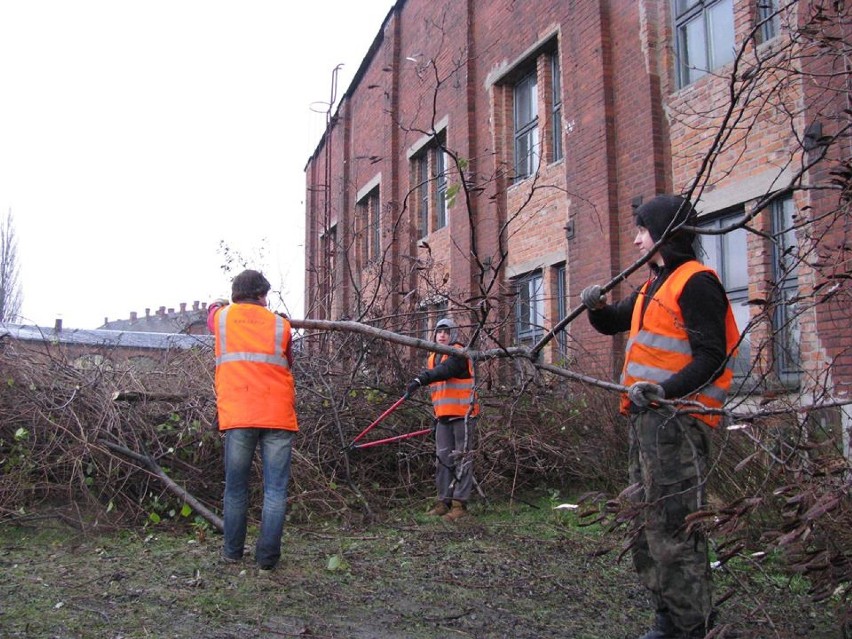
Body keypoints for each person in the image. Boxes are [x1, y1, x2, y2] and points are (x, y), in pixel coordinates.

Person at [580, 195, 740, 639]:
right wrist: (595, 307)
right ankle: (668, 618)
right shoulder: (655, 286)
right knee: (645, 522)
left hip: (680, 424)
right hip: (648, 421)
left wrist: (664, 392)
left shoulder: (695, 283)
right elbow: (614, 321)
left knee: (674, 527)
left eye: (642, 230)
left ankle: (694, 627)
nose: (635, 239)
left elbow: (712, 356)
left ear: (665, 234)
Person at [208, 269, 298, 573]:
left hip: (239, 415)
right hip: (277, 415)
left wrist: (217, 304)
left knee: (235, 488)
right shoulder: (280, 325)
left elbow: (211, 313)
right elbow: (288, 360)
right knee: (275, 490)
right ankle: (267, 560)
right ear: (262, 295)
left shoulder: (220, 319)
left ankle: (232, 553)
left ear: (236, 294)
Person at [406, 317, 480, 522]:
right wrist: (437, 417)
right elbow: (439, 390)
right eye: (439, 331)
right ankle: (443, 502)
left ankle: (459, 505)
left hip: (463, 415)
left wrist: (421, 379)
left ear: (453, 335)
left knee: (462, 458)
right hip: (443, 417)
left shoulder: (459, 353)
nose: (443, 335)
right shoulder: (432, 358)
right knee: (442, 459)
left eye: (447, 332)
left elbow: (445, 372)